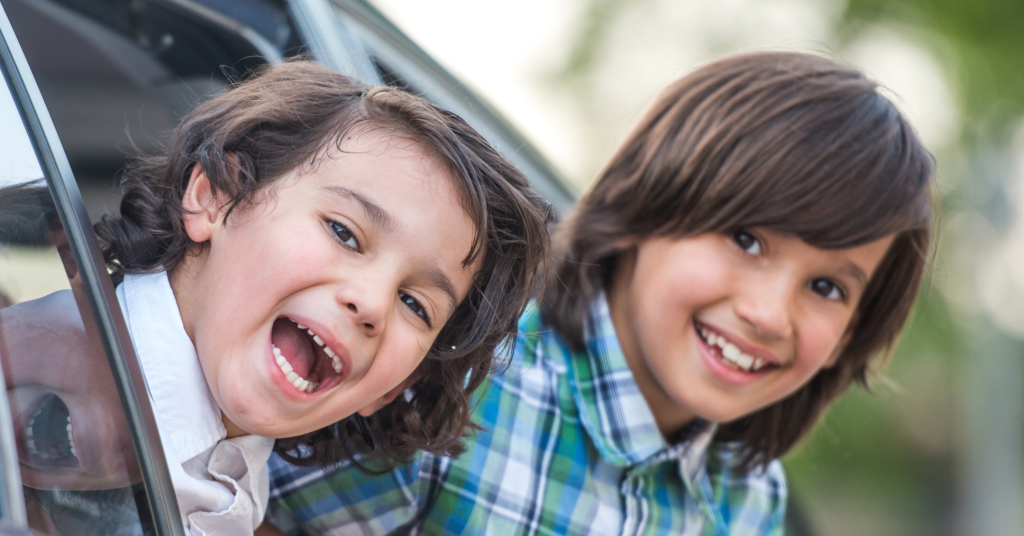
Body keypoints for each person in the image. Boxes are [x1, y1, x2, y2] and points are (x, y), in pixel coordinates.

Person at [262, 51, 935, 535]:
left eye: (826, 287)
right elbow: (232, 512)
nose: (769, 313)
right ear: (644, 210)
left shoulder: (749, 501)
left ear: (854, 333)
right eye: (747, 241)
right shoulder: (462, 387)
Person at [91, 60, 551, 535]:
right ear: (216, 195)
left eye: (415, 305)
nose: (373, 304)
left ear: (393, 386)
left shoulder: (238, 491)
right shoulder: (41, 380)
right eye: (344, 233)